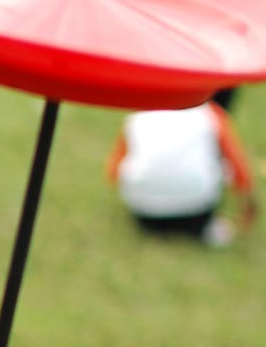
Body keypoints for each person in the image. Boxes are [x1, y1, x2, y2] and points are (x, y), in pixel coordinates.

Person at [106, 99, 256, 247]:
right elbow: (238, 166)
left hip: (144, 213)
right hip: (196, 211)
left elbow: (114, 171)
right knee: (219, 163)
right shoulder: (211, 113)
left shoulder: (141, 111)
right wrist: (248, 203)